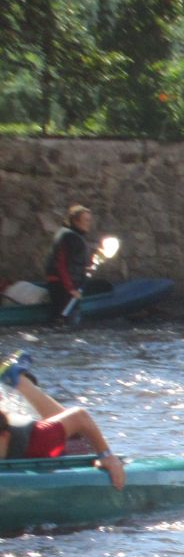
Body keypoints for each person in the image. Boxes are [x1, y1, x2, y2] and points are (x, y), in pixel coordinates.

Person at [0, 354, 125, 490]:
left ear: (5, 437)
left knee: (80, 440)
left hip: (45, 439)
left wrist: (106, 456)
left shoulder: (39, 440)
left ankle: (20, 381)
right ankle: (16, 379)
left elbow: (80, 416)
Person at [44, 204, 110, 322]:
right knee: (64, 319)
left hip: (65, 283)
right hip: (62, 286)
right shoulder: (69, 236)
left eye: (89, 220)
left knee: (64, 318)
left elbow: (73, 262)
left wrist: (86, 269)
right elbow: (60, 264)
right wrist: (71, 289)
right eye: (86, 220)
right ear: (75, 221)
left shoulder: (70, 235)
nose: (89, 223)